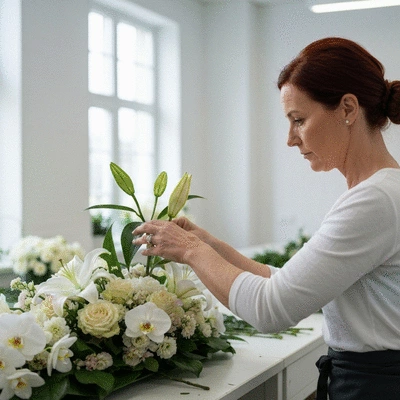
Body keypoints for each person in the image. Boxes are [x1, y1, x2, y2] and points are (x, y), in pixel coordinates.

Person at [133, 37, 400, 399]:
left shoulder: (374, 199)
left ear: (348, 108)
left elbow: (271, 308)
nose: (291, 139)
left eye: (299, 120)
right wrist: (215, 247)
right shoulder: (380, 191)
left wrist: (192, 250)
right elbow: (291, 285)